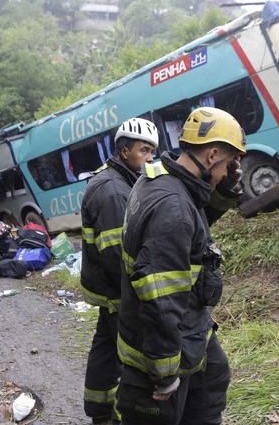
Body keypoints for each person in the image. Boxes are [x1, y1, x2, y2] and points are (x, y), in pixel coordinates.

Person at [115, 107, 247, 425]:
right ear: (213, 154)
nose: (228, 170)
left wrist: (226, 188)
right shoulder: (172, 207)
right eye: (229, 163)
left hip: (190, 328)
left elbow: (195, 226)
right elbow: (161, 301)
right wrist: (165, 375)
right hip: (165, 344)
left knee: (214, 377)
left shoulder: (165, 178)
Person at [80, 118, 160, 425]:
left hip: (105, 287)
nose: (150, 157)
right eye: (144, 150)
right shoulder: (113, 190)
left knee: (105, 349)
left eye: (152, 150)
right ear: (125, 151)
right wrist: (139, 294)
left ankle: (98, 409)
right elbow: (118, 255)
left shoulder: (118, 177)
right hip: (116, 290)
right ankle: (124, 416)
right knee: (133, 357)